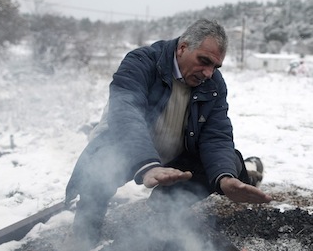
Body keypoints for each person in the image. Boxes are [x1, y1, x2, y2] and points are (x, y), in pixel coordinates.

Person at [64, 18, 272, 248]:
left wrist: (225, 178)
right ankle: (84, 232)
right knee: (100, 166)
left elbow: (216, 136)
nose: (208, 72)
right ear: (182, 47)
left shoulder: (214, 85)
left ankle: (167, 207)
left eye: (215, 66)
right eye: (204, 61)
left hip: (176, 159)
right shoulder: (142, 61)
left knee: (228, 162)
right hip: (129, 148)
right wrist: (148, 165)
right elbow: (125, 114)